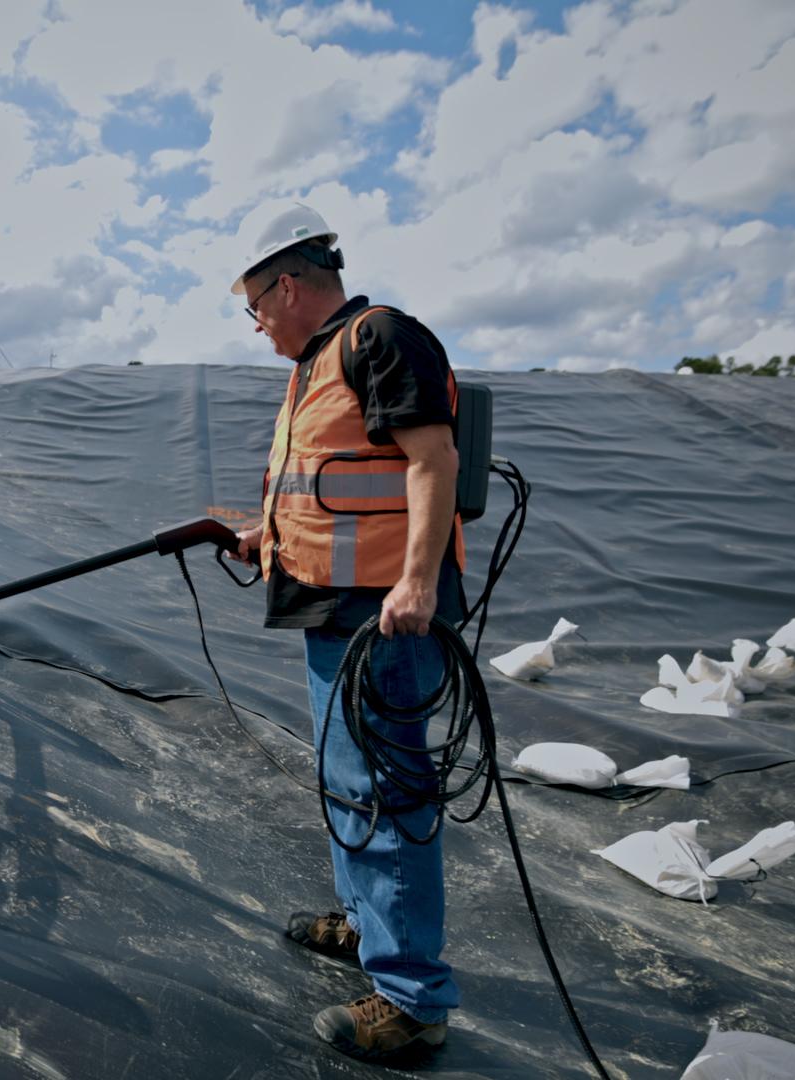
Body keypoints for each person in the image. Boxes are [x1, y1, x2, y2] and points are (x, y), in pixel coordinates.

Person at [228, 200, 465, 1062]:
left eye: (254, 306)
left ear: (288, 284)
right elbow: (330, 485)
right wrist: (264, 536)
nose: (256, 327)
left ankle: (413, 999)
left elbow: (431, 459)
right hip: (331, 605)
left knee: (386, 790)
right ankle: (368, 928)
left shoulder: (381, 338)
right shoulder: (316, 365)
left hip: (381, 612)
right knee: (345, 779)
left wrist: (416, 581)